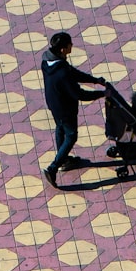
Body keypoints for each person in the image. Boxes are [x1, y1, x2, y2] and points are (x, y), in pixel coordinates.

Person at [41, 31, 106, 187]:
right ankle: (53, 167)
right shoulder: (62, 72)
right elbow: (79, 94)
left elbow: (73, 73)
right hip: (65, 108)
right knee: (71, 136)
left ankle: (64, 159)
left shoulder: (48, 62)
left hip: (53, 104)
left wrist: (94, 80)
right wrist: (102, 94)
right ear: (63, 49)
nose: (72, 46)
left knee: (60, 128)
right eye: (70, 44)